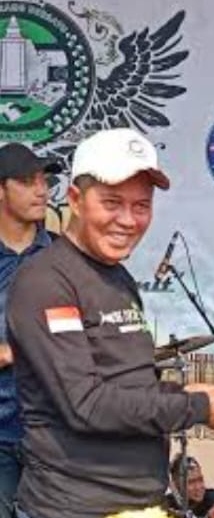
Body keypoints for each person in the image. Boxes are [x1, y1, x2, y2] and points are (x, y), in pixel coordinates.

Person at [6, 128, 214, 518]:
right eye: (112, 203)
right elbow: (86, 404)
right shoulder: (46, 280)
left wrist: (191, 391)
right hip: (73, 507)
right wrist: (199, 407)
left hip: (138, 503)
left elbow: (128, 385)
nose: (128, 220)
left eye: (141, 205)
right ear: (76, 200)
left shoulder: (119, 277)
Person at [0, 144, 61, 518]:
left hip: (55, 435)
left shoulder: (65, 256)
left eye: (44, 180)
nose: (41, 190)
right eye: (27, 181)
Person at [166, 454, 214, 518]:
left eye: (200, 480)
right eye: (191, 482)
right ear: (175, 485)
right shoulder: (167, 505)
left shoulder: (212, 497)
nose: (198, 487)